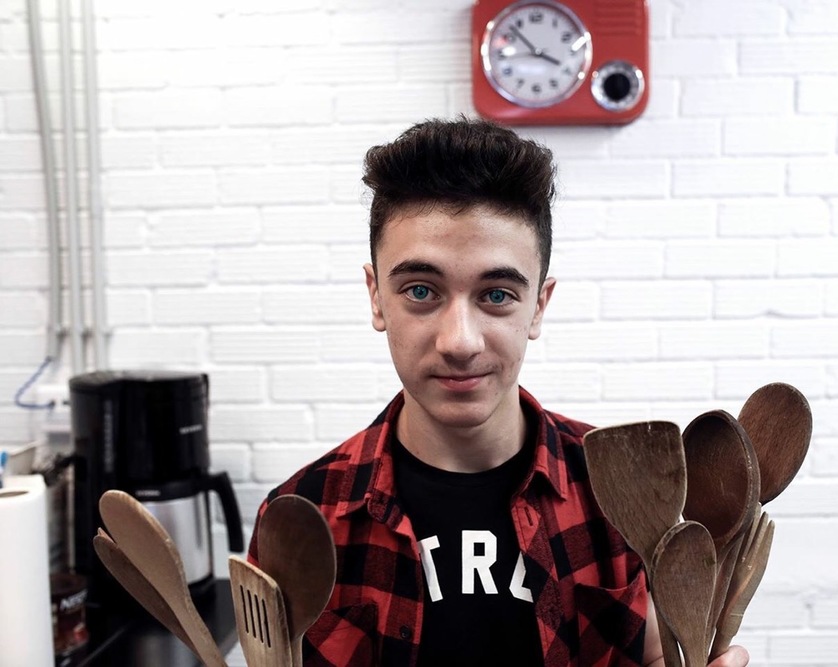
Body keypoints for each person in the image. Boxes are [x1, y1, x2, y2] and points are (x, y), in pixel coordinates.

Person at [247, 117, 751, 667]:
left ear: (538, 306)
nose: (460, 342)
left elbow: (656, 653)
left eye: (496, 295)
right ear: (376, 297)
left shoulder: (623, 490)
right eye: (421, 291)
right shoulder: (305, 513)